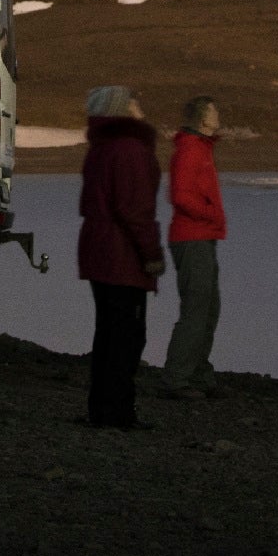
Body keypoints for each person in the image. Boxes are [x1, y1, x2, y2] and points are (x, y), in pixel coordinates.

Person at [77, 85, 165, 429]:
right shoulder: (130, 149)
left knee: (109, 333)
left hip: (100, 249)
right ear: (122, 109)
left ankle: (103, 410)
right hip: (120, 254)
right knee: (126, 336)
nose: (139, 106)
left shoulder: (103, 146)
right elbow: (135, 209)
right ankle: (118, 413)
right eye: (133, 101)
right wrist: (151, 254)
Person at [158, 95, 228, 399]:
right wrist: (211, 213)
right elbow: (181, 195)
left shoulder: (200, 148)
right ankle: (178, 377)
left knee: (208, 308)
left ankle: (197, 372)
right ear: (202, 118)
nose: (219, 116)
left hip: (202, 236)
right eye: (214, 112)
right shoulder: (190, 149)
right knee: (198, 308)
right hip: (192, 237)